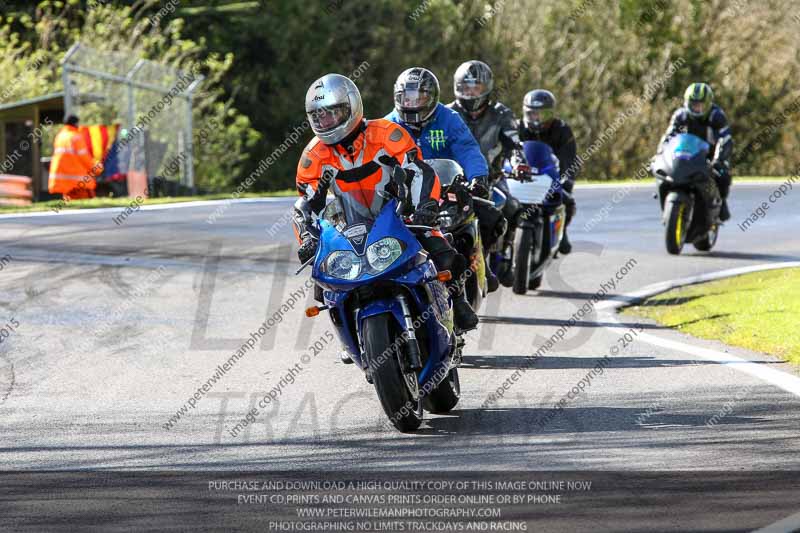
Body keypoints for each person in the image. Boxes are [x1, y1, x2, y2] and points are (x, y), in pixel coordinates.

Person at [293, 73, 479, 335]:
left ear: (352, 106)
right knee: (323, 284)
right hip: (350, 230)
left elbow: (419, 170)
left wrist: (425, 205)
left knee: (446, 255)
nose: (326, 121)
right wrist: (308, 240)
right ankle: (348, 329)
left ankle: (458, 303)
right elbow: (306, 204)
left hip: (399, 217)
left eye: (333, 113)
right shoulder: (313, 157)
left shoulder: (387, 133)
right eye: (319, 116)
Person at [386, 67, 506, 291]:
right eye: (407, 98)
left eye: (419, 97)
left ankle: (481, 263)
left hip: (446, 189)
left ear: (432, 97)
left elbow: (468, 149)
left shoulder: (449, 118)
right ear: (397, 97)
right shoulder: (387, 125)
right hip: (405, 196)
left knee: (492, 217)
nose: (412, 104)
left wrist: (478, 179)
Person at [447, 60, 522, 285]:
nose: (470, 93)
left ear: (487, 88)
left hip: (492, 178)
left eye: (475, 87)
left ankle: (504, 255)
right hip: (452, 181)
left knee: (512, 207)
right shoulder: (447, 113)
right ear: (457, 87)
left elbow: (515, 145)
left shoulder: (501, 114)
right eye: (465, 87)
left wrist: (518, 163)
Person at [660, 82, 733, 221]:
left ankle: (721, 203)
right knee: (663, 174)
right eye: (693, 104)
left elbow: (726, 139)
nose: (696, 108)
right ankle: (668, 208)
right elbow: (669, 136)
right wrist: (661, 152)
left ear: (708, 104)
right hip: (684, 153)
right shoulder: (680, 115)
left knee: (723, 175)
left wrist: (719, 159)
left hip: (710, 156)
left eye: (700, 105)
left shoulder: (717, 116)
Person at [518, 90, 578, 254]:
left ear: (550, 114)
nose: (536, 119)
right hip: (521, 178)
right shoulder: (517, 127)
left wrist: (565, 180)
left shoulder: (562, 130)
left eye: (541, 114)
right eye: (531, 114)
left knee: (567, 200)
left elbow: (569, 160)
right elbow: (507, 153)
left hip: (551, 178)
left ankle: (561, 230)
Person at [48, 114, 102, 200]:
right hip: (78, 181)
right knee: (86, 206)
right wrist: (96, 169)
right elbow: (84, 158)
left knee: (69, 206)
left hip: (64, 181)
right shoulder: (76, 137)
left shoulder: (60, 136)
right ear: (76, 123)